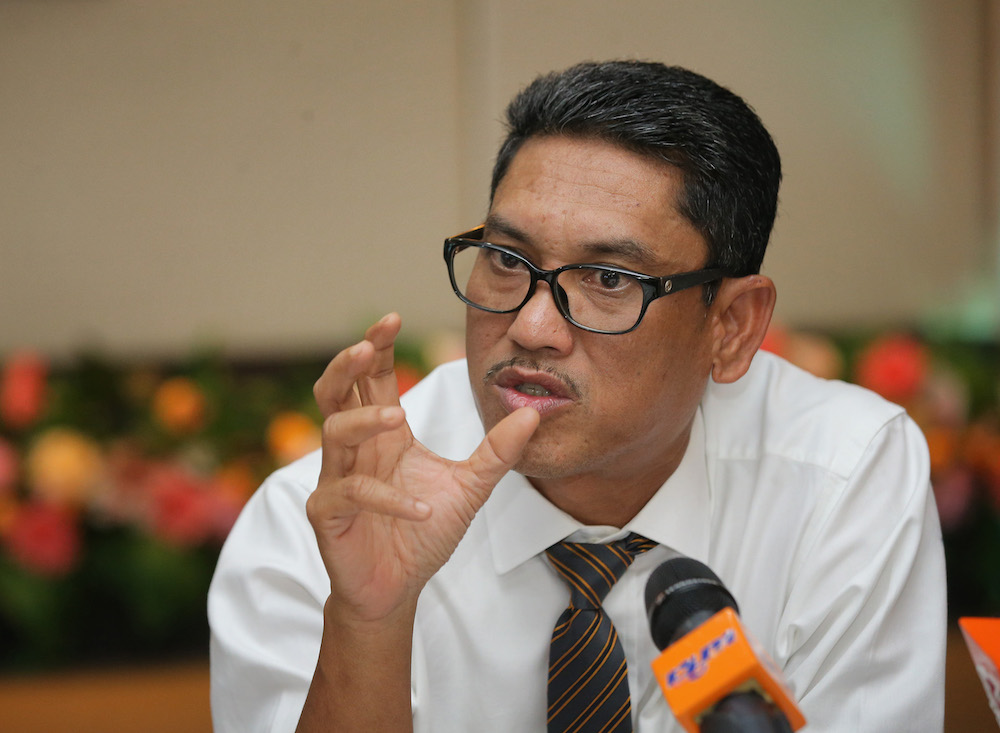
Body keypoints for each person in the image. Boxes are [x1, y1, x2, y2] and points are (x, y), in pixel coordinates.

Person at [209, 61, 946, 732]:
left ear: (730, 325)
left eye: (609, 279)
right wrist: (369, 619)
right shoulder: (326, 524)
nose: (532, 326)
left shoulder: (842, 476)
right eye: (506, 259)